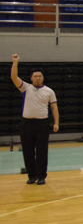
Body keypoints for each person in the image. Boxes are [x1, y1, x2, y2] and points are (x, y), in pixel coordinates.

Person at [10, 55, 59, 185]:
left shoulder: (49, 91)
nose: (38, 78)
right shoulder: (25, 88)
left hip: (42, 124)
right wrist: (15, 62)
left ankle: (41, 176)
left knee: (42, 151)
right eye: (35, 76)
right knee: (27, 150)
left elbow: (54, 108)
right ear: (31, 78)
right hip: (27, 124)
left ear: (43, 78)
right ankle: (32, 175)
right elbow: (14, 77)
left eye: (40, 76)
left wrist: (56, 123)